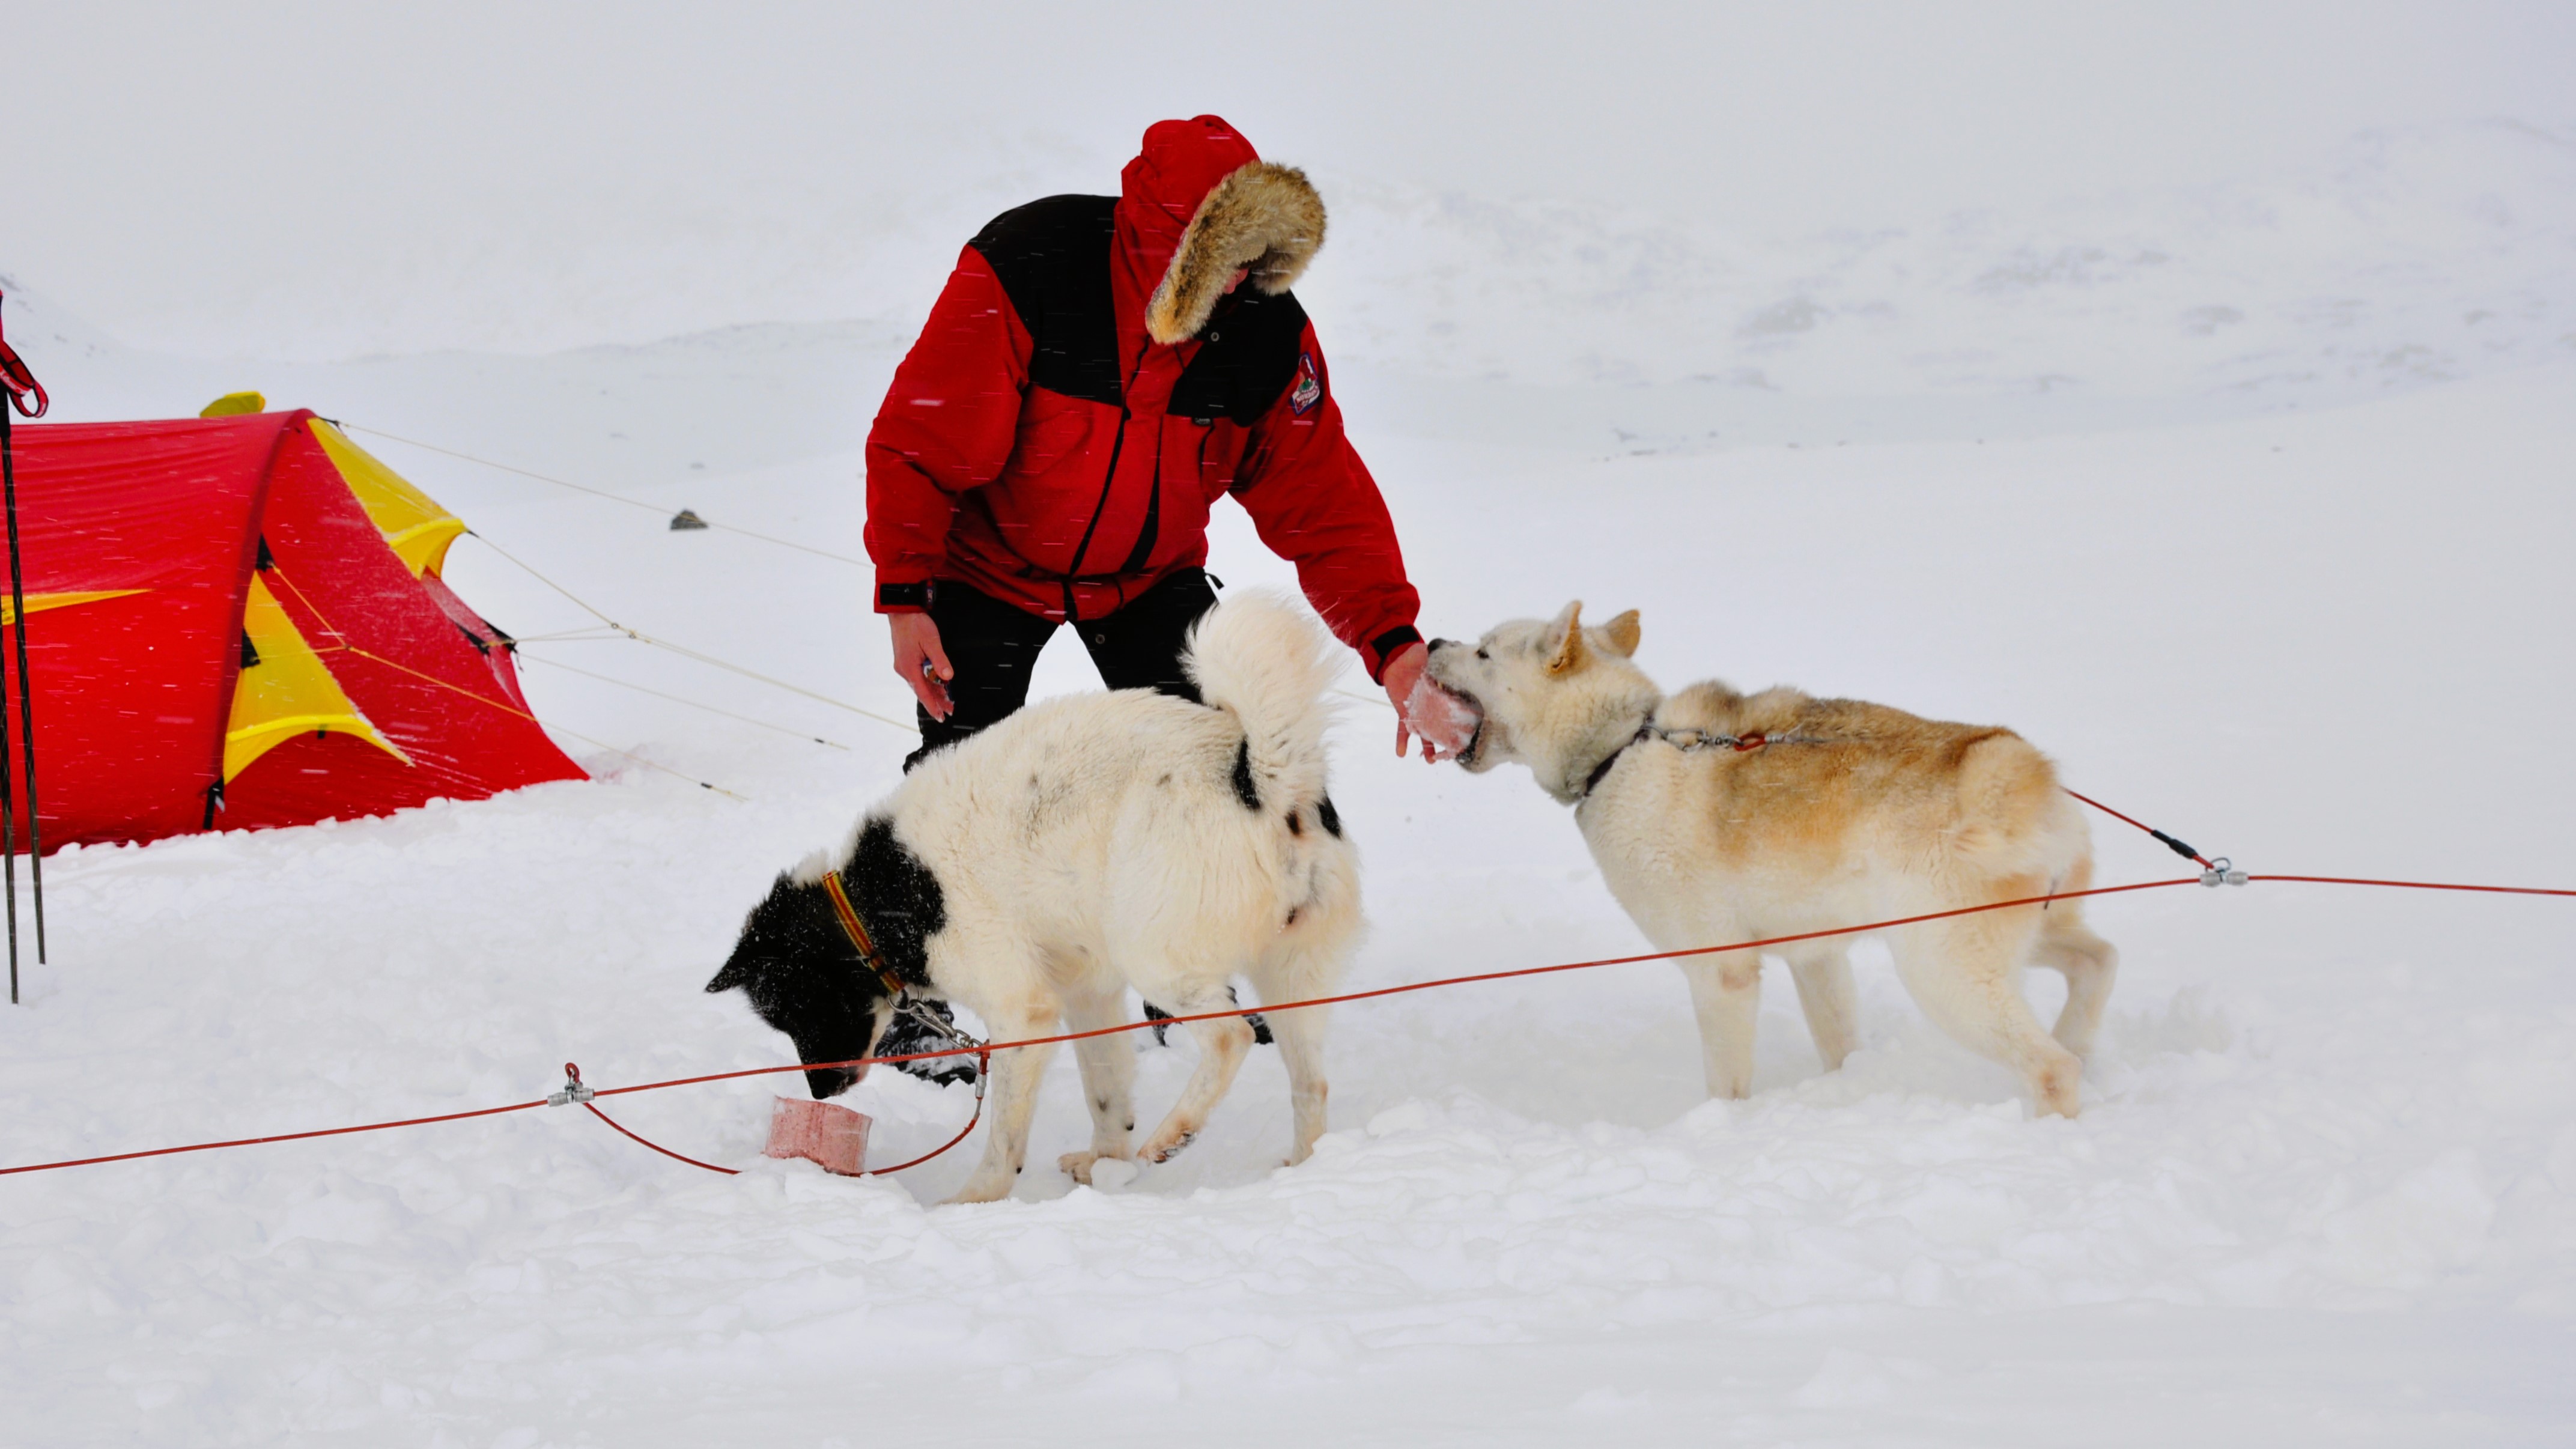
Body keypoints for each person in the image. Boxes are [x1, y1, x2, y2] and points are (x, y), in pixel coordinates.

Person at [864, 115, 1433, 774]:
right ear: (1169, 246)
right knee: (961, 785)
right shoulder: (1031, 264)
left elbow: (1322, 498)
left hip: (1148, 581)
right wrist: (905, 599)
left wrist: (1393, 644)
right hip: (990, 568)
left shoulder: (1266, 333)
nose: (1236, 281)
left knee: (1230, 775)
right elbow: (920, 443)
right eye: (1218, 259)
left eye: (1250, 256)